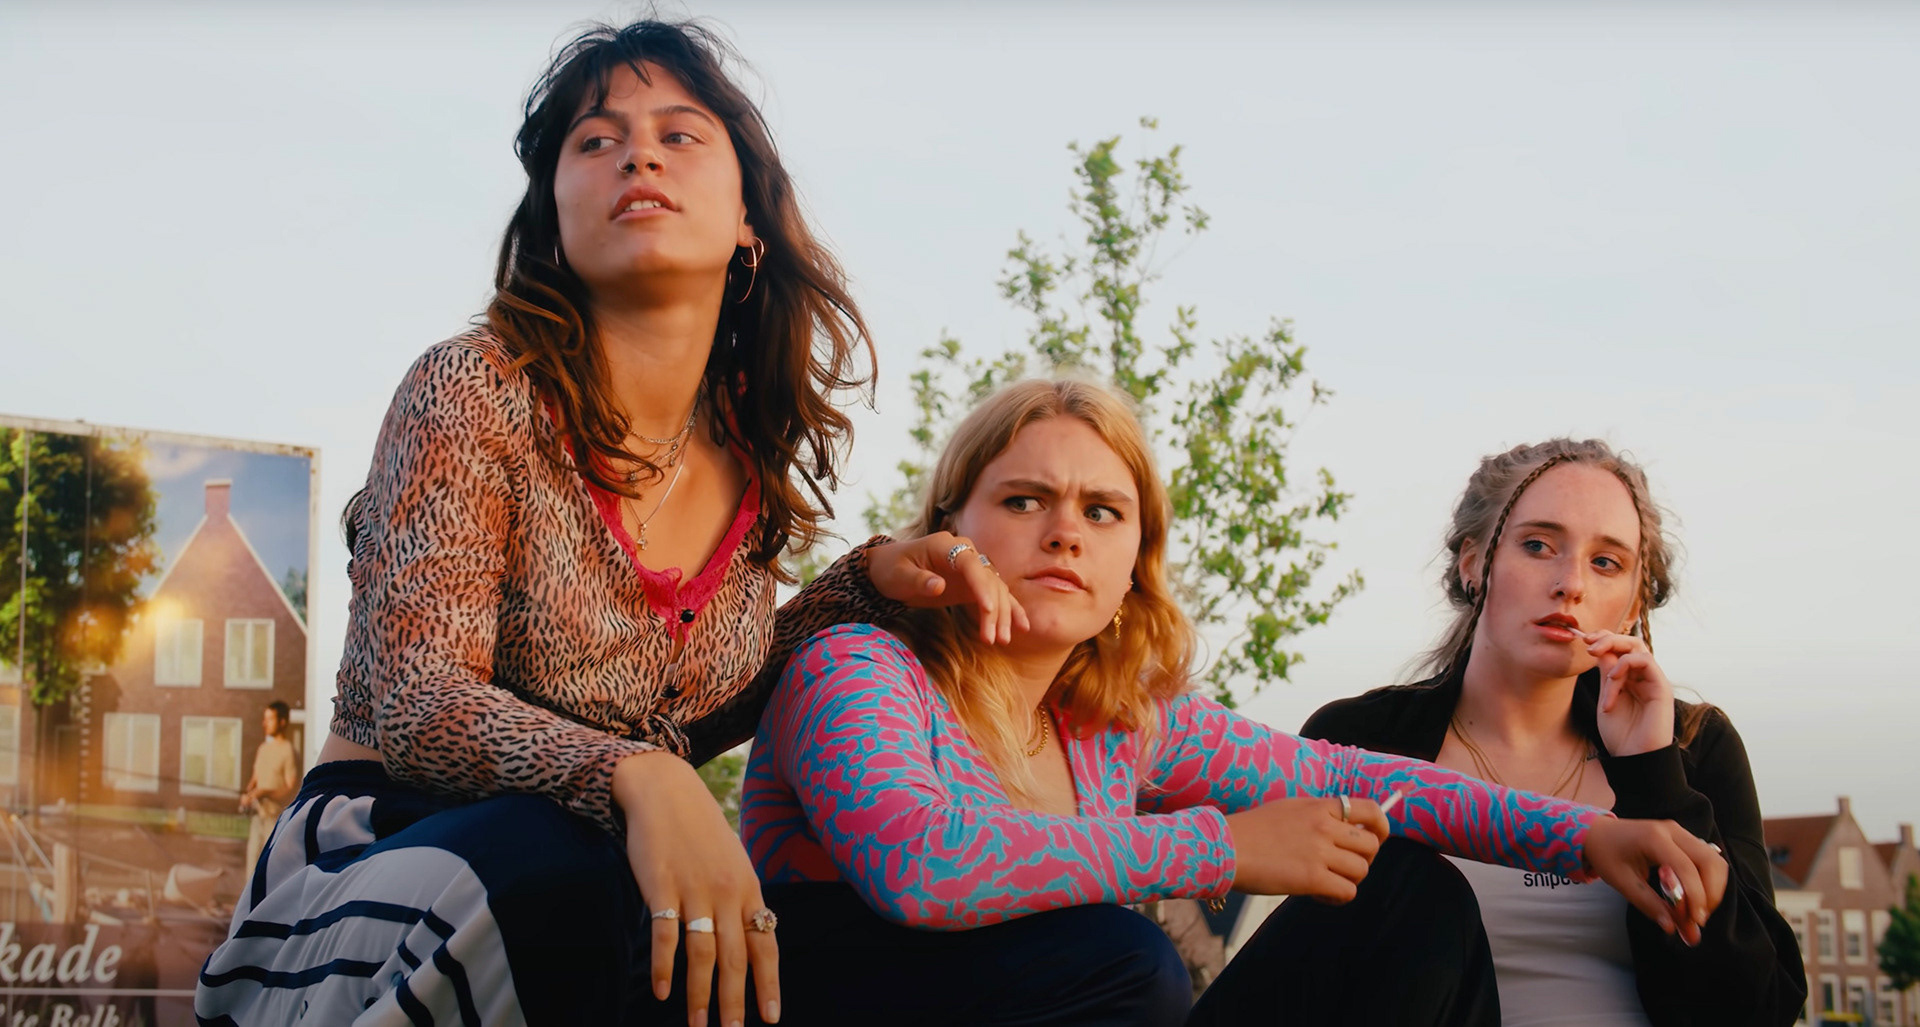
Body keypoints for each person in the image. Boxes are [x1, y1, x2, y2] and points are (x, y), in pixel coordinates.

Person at [195, 19, 1012, 1027]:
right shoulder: (474, 388)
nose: (639, 154)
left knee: (1086, 960)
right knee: (562, 873)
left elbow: (692, 710)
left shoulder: (746, 454)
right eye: (597, 139)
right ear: (553, 216)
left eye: (680, 133)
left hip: (596, 885)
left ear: (748, 218)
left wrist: (869, 586)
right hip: (384, 856)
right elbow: (422, 705)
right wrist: (637, 774)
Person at [740, 380, 1729, 1026]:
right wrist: (1223, 844)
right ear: (950, 525)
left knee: (1404, 893)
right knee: (1125, 962)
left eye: (1102, 511)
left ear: (1135, 562)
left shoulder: (1120, 719)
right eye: (1023, 500)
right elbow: (922, 862)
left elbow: (1356, 777)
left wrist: (1586, 836)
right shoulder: (858, 666)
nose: (1065, 533)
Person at [1195, 439, 1807, 1026]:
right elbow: (1318, 973)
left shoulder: (1694, 747)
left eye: (1606, 562)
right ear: (1473, 563)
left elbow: (1756, 1010)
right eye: (1538, 546)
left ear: (1632, 603)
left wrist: (1652, 776)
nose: (1571, 583)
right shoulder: (1358, 738)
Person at [238, 700, 300, 884]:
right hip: (258, 817)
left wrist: (265, 792)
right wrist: (247, 795)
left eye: (269, 719)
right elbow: (254, 781)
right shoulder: (263, 749)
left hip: (275, 821)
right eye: (264, 719)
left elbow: (290, 789)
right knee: (251, 870)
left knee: (271, 871)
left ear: (282, 722)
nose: (264, 723)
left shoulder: (288, 751)